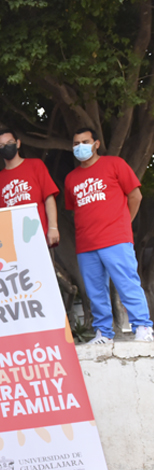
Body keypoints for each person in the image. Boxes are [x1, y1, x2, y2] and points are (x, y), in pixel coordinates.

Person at [65, 127, 153, 343]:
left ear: (96, 144)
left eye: (85, 142)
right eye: (76, 144)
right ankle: (103, 333)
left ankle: (142, 326)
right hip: (86, 244)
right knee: (95, 291)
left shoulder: (114, 164)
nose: (80, 147)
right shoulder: (71, 179)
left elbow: (136, 196)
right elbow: (76, 209)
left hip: (116, 239)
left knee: (127, 283)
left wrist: (124, 222)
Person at [0, 129, 60, 246]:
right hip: (12, 242)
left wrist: (53, 227)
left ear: (18, 143)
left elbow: (49, 197)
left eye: (9, 143)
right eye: (2, 145)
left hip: (39, 235)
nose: (6, 147)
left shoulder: (35, 165)